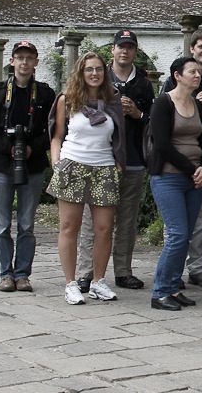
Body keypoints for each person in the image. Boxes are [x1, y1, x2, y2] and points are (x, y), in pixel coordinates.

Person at [76, 29, 153, 293]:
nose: (125, 51)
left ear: (135, 51)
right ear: (113, 50)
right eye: (121, 46)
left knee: (127, 220)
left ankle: (123, 271)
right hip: (99, 159)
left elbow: (152, 123)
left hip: (132, 158)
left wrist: (136, 112)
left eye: (130, 47)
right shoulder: (98, 77)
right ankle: (86, 272)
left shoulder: (143, 83)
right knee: (91, 220)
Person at [0, 40, 56, 293]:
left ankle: (22, 274)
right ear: (12, 61)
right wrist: (6, 146)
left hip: (32, 166)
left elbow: (54, 130)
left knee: (26, 224)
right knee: (1, 224)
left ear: (36, 62)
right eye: (20, 58)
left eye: (29, 58)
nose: (24, 63)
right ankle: (5, 274)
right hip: (1, 165)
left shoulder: (44, 94)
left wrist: (33, 146)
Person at [47, 52, 125, 305]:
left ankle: (98, 282)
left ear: (105, 72)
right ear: (81, 73)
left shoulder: (112, 101)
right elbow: (57, 135)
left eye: (99, 69)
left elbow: (119, 138)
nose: (94, 74)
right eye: (89, 69)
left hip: (104, 167)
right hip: (73, 165)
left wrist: (118, 164)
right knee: (70, 227)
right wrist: (57, 163)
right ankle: (70, 283)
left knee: (104, 229)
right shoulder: (67, 100)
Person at [147, 57, 202, 311]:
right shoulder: (163, 103)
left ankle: (174, 287)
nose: (198, 75)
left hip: (194, 178)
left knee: (187, 235)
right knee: (177, 234)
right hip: (169, 176)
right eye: (192, 71)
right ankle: (160, 291)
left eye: (198, 71)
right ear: (178, 75)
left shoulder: (197, 104)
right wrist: (193, 169)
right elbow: (162, 144)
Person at [162, 28, 202, 287]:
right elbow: (162, 124)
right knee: (175, 222)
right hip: (173, 164)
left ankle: (197, 267)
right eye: (201, 47)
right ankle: (172, 270)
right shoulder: (172, 81)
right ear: (192, 48)